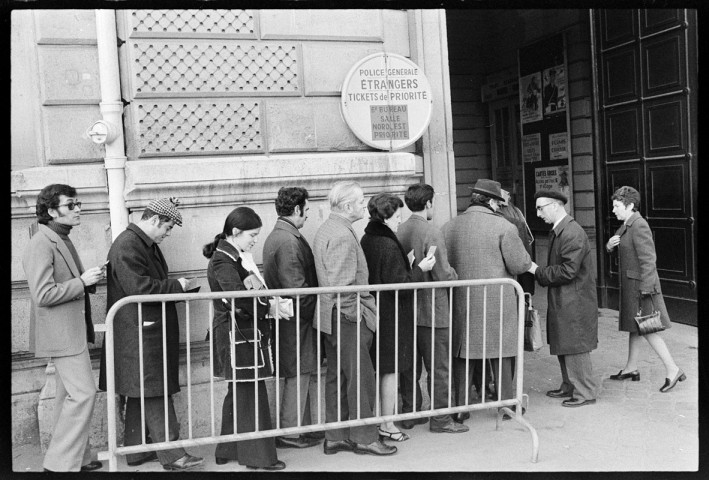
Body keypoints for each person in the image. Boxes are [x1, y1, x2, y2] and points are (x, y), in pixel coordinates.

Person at [98, 198, 203, 470]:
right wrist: (177, 286)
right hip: (140, 331)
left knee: (140, 389)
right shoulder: (129, 245)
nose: (168, 234)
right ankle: (173, 455)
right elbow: (140, 288)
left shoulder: (137, 243)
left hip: (140, 329)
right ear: (154, 220)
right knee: (153, 390)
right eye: (167, 227)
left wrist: (178, 288)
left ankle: (136, 450)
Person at [22, 184, 104, 472]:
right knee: (83, 393)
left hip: (69, 333)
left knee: (66, 395)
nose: (78, 209)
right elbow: (42, 295)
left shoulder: (58, 237)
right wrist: (81, 281)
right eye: (71, 205)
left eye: (78, 204)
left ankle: (76, 458)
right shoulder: (42, 242)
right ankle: (59, 464)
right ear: (50, 211)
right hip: (62, 335)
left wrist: (87, 280)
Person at [312, 181, 397, 456]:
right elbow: (344, 286)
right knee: (360, 379)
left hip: (332, 317)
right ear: (348, 207)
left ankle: (336, 436)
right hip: (347, 317)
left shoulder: (329, 228)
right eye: (361, 201)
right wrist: (357, 316)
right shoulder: (342, 235)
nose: (364, 205)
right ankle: (364, 437)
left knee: (337, 377)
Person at [203, 206, 285, 471]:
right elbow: (239, 298)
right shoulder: (224, 260)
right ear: (235, 232)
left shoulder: (231, 256)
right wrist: (267, 307)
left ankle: (227, 449)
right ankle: (257, 457)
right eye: (252, 235)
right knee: (249, 392)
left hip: (239, 331)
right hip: (238, 332)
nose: (254, 240)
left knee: (240, 391)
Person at [442, 179, 533, 420]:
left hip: (461, 300)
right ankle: (506, 405)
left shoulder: (449, 226)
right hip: (496, 300)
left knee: (463, 352)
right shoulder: (504, 227)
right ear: (492, 202)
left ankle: (461, 408)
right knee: (502, 351)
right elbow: (520, 263)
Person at [360, 193, 436, 442]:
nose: (399, 222)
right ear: (385, 217)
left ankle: (384, 421)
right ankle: (388, 424)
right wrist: (419, 268)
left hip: (379, 313)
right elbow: (401, 284)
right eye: (397, 217)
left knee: (382, 369)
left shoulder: (368, 238)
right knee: (390, 371)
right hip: (392, 315)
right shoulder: (387, 244)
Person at [396, 184, 469, 434]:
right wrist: (456, 275)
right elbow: (442, 273)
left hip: (408, 310)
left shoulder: (400, 230)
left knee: (410, 367)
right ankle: (440, 419)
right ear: (428, 204)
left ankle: (410, 412)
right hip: (433, 310)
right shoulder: (432, 232)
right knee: (440, 367)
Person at [606, 186, 685, 392]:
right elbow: (624, 251)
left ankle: (673, 369)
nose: (613, 210)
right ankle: (631, 368)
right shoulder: (626, 225)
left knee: (648, 329)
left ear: (630, 205)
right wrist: (609, 246)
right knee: (636, 327)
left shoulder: (639, 225)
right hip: (633, 287)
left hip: (641, 288)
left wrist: (646, 291)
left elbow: (649, 260)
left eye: (617, 206)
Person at [262, 187, 324, 449]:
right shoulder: (288, 240)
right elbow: (298, 289)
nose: (307, 215)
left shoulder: (280, 236)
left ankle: (298, 428)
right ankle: (290, 432)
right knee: (298, 373)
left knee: (300, 372)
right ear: (297, 209)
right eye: (307, 210)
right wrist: (316, 311)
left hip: (292, 319)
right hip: (297, 320)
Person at [528, 190, 599, 407]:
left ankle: (585, 392)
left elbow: (568, 271)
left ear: (556, 205)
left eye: (541, 208)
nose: (538, 213)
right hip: (567, 298)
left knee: (574, 344)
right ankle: (570, 385)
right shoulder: (563, 230)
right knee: (565, 341)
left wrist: (537, 271)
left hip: (574, 300)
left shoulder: (571, 232)